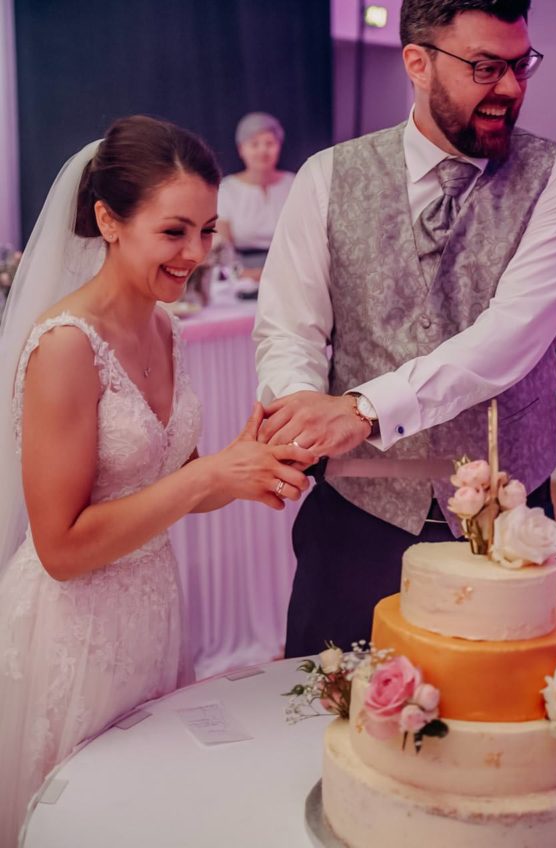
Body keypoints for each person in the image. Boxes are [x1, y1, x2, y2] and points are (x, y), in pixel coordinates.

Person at [0, 116, 315, 844]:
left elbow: (160, 481)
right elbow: (61, 547)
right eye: (175, 232)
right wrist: (205, 480)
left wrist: (237, 468)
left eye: (207, 231)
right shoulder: (65, 349)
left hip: (154, 615)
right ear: (109, 220)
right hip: (73, 635)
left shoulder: (167, 327)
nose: (197, 254)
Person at [252, 0, 556, 657]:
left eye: (521, 65)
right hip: (356, 515)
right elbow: (288, 328)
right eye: (486, 67)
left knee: (484, 735)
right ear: (417, 63)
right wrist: (299, 410)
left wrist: (363, 408)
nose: (510, 88)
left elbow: (512, 334)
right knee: (320, 718)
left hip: (505, 518)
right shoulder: (326, 178)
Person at [215, 112, 295, 280]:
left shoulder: (294, 183)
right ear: (241, 149)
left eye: (269, 143)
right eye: (254, 144)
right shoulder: (227, 189)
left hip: (290, 271)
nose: (262, 151)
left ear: (279, 146)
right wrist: (244, 273)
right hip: (242, 275)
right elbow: (222, 245)